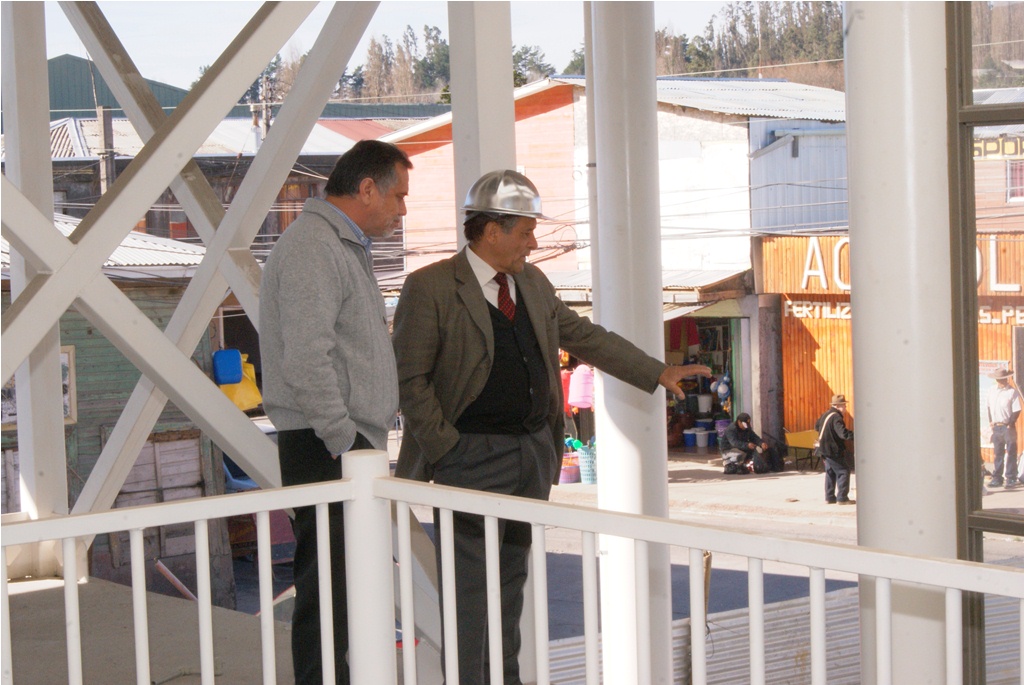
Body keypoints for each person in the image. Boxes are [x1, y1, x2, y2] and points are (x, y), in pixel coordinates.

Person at [391, 169, 711, 685]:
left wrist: (656, 371)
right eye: (525, 232)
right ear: (491, 231)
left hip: (529, 456)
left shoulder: (532, 284)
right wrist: (446, 448)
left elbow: (585, 336)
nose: (533, 243)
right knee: (469, 590)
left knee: (510, 584)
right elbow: (410, 379)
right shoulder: (430, 287)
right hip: (467, 460)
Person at [259, 140, 411, 685]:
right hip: (327, 443)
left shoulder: (340, 244)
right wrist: (345, 441)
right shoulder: (314, 246)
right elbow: (306, 358)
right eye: (398, 196)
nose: (402, 210)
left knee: (348, 588)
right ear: (367, 189)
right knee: (328, 590)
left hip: (341, 441)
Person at [815, 394, 855, 505]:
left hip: (823, 449)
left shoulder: (826, 414)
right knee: (843, 471)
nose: (845, 408)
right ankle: (842, 498)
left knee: (830, 473)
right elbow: (843, 434)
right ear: (837, 406)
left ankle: (830, 497)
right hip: (833, 450)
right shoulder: (836, 417)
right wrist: (855, 435)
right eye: (844, 406)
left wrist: (828, 434)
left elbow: (816, 426)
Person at [986, 367, 1021, 489]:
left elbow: (1016, 410)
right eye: (999, 379)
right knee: (998, 453)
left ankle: (1011, 477)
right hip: (996, 426)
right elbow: (989, 407)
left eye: (1003, 379)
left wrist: (1011, 423)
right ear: (996, 380)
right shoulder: (991, 391)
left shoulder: (1012, 392)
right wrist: (991, 421)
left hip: (1007, 426)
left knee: (1011, 452)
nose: (1002, 381)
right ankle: (997, 478)